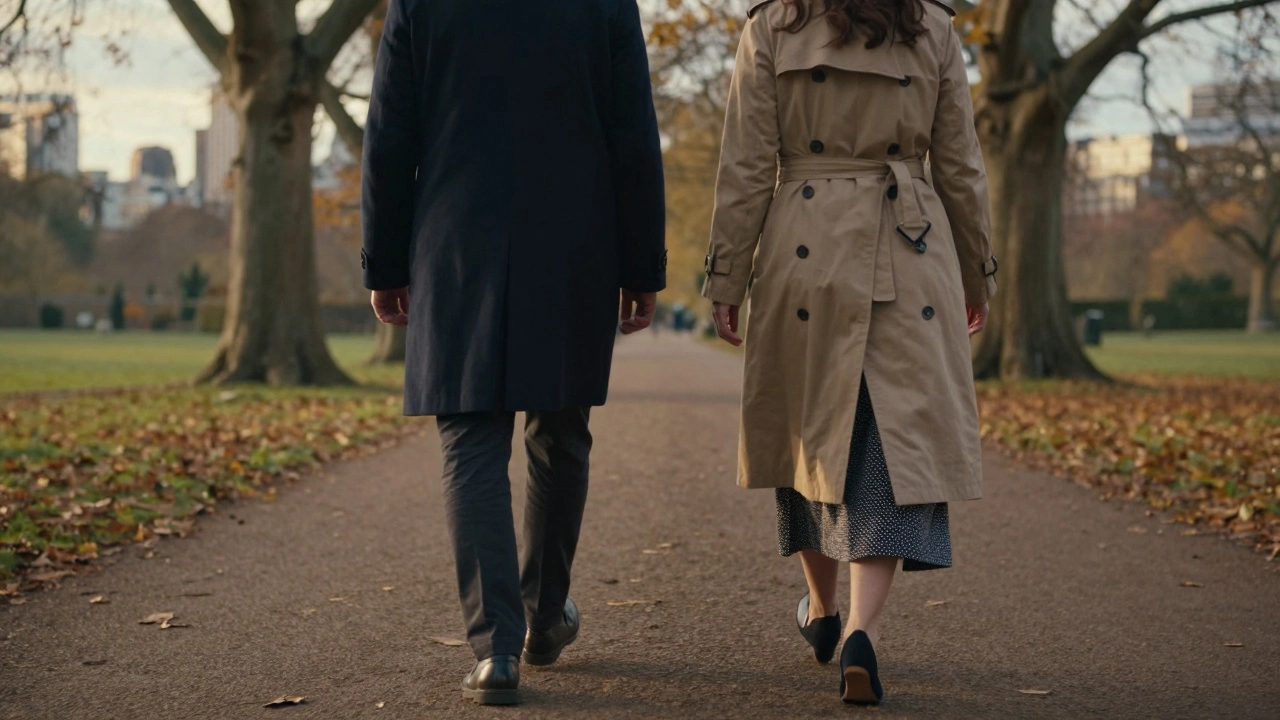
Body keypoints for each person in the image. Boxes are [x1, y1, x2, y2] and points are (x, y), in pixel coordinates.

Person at [360, 0, 666, 706]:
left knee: (470, 439)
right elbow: (633, 136)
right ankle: (544, 617)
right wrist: (643, 265)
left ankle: (495, 648)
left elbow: (389, 135)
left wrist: (384, 264)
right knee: (561, 432)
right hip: (573, 245)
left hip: (456, 240)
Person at [703, 0, 997, 705]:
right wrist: (975, 267)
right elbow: (960, 164)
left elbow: (745, 163)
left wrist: (726, 276)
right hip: (911, 243)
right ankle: (862, 628)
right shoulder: (932, 25)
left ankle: (824, 611)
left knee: (808, 434)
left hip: (806, 243)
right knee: (889, 445)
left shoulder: (773, 25)